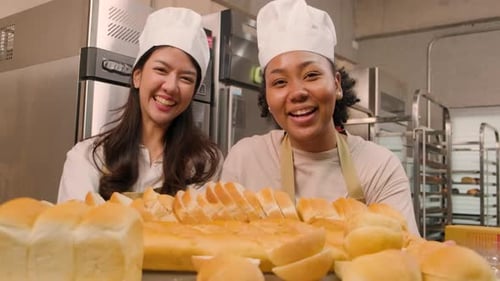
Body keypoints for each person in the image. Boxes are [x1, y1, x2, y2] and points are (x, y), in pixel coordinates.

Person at [220, 0, 420, 236]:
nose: (297, 93)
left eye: (311, 75)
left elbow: (403, 257)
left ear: (336, 85)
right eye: (280, 82)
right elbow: (225, 245)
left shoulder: (379, 167)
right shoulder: (246, 159)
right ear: (267, 96)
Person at [58, 7, 222, 202]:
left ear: (193, 92)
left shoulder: (205, 164)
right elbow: (76, 227)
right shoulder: (87, 157)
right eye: (161, 70)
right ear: (137, 77)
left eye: (186, 78)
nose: (170, 87)